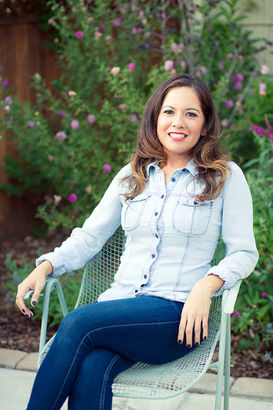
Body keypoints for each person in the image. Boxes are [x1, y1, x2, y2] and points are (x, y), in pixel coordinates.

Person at [16, 73, 258, 410]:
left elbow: (244, 252)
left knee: (77, 321)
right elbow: (90, 236)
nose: (178, 122)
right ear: (156, 119)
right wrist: (47, 264)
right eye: (169, 112)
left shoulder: (224, 177)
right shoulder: (132, 175)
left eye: (191, 114)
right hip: (119, 308)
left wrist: (207, 285)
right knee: (92, 367)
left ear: (205, 125)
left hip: (176, 315)